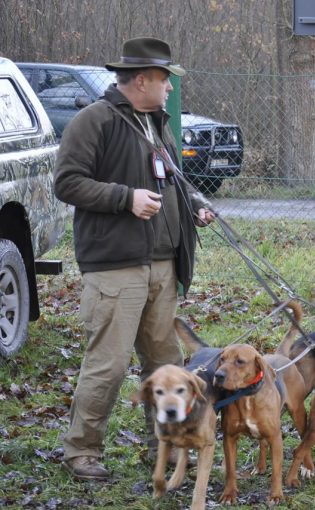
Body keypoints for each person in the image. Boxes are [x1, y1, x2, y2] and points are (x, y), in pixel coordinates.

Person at [54, 37, 216, 479]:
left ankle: (163, 448)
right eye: (166, 80)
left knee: (166, 368)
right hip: (115, 267)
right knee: (108, 364)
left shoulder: (156, 122)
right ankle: (82, 451)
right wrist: (125, 198)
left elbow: (172, 180)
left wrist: (197, 203)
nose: (170, 89)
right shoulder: (94, 121)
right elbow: (67, 182)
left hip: (163, 265)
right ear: (141, 79)